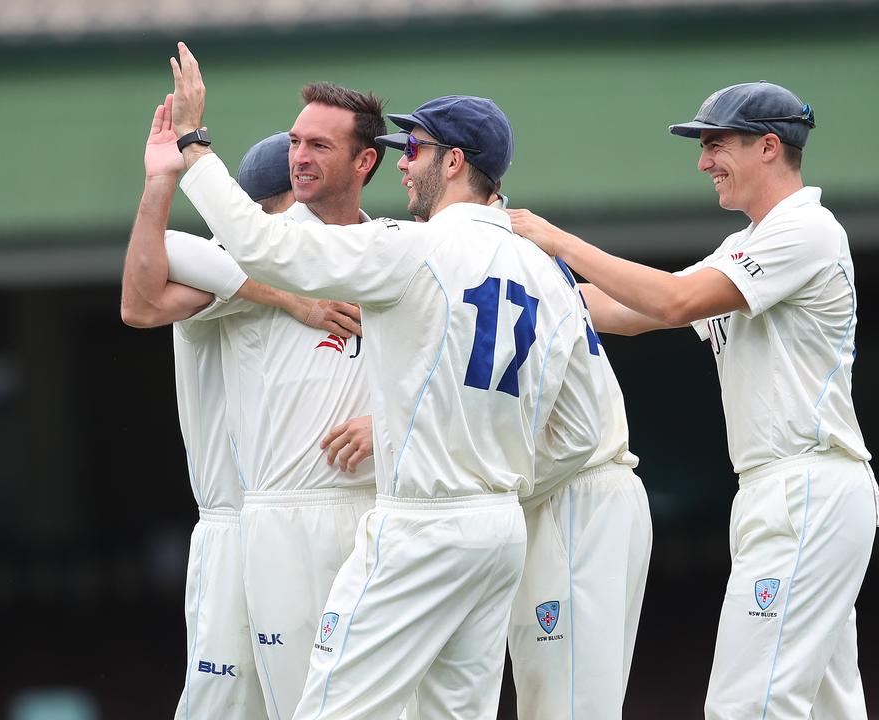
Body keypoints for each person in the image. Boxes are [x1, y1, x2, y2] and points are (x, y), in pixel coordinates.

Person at [163, 42, 601, 719]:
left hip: (421, 523)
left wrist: (194, 147)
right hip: (501, 529)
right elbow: (574, 431)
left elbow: (265, 245)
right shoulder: (545, 271)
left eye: (415, 150)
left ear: (454, 162)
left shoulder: (413, 248)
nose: (401, 162)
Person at [508, 81, 874, 719]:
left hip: (805, 487)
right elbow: (628, 311)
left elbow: (674, 302)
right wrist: (514, 281)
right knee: (824, 705)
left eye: (716, 144)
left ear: (768, 146)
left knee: (747, 705)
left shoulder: (805, 229)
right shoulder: (746, 244)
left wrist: (555, 240)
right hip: (787, 490)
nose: (704, 161)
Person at [133, 80, 391, 719]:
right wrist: (288, 298)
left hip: (367, 512)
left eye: (318, 145)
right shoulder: (246, 267)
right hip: (249, 522)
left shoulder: (384, 247)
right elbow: (144, 291)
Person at [506, 265, 653, 720]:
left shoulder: (497, 260)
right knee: (577, 702)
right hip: (600, 488)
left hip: (571, 490)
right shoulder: (537, 262)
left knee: (562, 705)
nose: (406, 186)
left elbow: (573, 436)